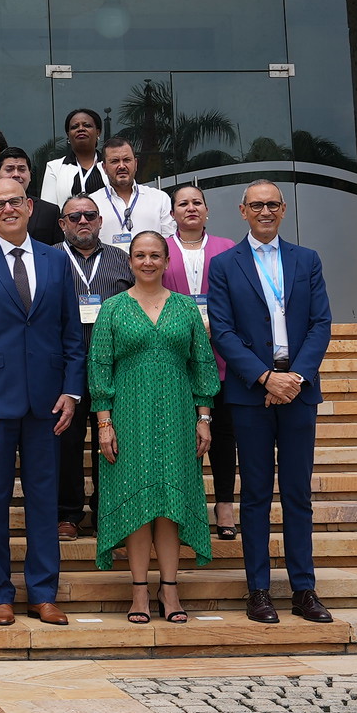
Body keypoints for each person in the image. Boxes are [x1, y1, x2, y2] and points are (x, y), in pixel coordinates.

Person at [0, 178, 85, 628]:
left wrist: (71, 391)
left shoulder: (56, 260)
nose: (7, 209)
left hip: (48, 403)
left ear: (29, 206)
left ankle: (43, 593)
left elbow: (71, 335)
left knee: (44, 501)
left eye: (15, 202)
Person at [208, 180, 335, 625]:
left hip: (299, 390)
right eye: (256, 205)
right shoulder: (224, 265)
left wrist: (295, 377)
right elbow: (221, 330)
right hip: (250, 394)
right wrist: (265, 377)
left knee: (298, 494)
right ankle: (258, 590)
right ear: (242, 211)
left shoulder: (307, 260)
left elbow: (321, 322)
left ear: (283, 210)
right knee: (256, 493)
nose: (265, 211)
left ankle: (304, 589)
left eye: (272, 205)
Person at [90, 231, 218, 626]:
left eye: (155, 256)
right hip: (128, 417)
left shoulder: (184, 308)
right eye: (140, 256)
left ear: (166, 261)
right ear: (130, 262)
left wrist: (204, 417)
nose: (148, 262)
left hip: (178, 416)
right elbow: (99, 367)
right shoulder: (112, 308)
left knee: (169, 505)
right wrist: (104, 423)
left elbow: (203, 365)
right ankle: (139, 592)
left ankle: (171, 587)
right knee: (139, 505)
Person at [163, 183, 240, 541]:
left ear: (207, 210)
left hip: (222, 353)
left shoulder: (229, 249)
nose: (190, 208)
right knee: (180, 436)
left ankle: (224, 504)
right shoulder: (161, 250)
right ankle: (182, 507)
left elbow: (242, 297)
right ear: (173, 213)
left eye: (197, 203)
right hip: (177, 356)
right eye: (183, 203)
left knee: (223, 434)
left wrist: (217, 326)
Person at [56, 192, 133, 541]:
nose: (82, 221)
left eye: (89, 215)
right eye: (74, 217)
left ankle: (107, 510)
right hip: (64, 369)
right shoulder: (49, 259)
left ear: (101, 221)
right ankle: (68, 513)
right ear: (62, 224)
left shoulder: (122, 260)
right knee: (67, 443)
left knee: (112, 444)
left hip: (115, 368)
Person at [97, 138, 175, 249]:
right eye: (115, 161)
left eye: (127, 160)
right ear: (104, 168)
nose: (122, 166)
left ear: (136, 163)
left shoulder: (160, 199)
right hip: (108, 266)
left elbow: (169, 243)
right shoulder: (93, 203)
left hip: (150, 265)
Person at [0, 145, 62, 246]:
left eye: (21, 169)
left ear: (30, 175)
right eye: (9, 169)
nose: (16, 174)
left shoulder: (50, 211)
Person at [38, 108, 107, 209]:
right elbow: (47, 211)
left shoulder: (110, 165)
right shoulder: (54, 168)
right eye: (75, 127)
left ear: (98, 132)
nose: (81, 129)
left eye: (87, 125)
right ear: (68, 135)